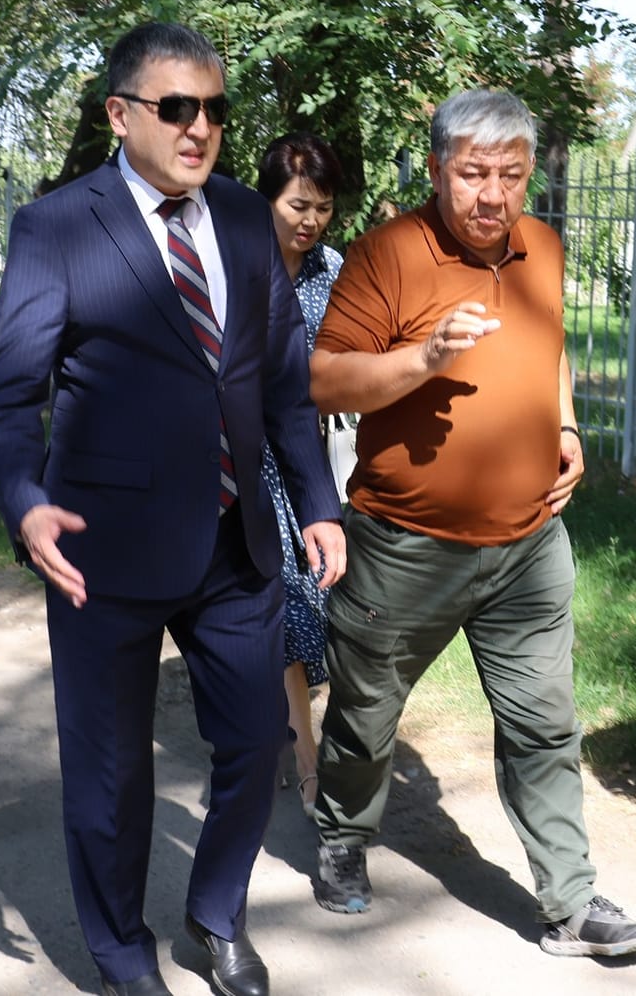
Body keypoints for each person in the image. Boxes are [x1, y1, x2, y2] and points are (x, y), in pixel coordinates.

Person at [0, 23, 346, 996]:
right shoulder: (56, 226)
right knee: (111, 773)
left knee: (256, 739)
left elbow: (282, 380)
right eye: (176, 107)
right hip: (100, 550)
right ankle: (119, 954)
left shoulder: (244, 217)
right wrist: (24, 502)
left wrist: (318, 502)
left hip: (235, 541)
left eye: (215, 109)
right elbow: (10, 398)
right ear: (120, 113)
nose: (200, 127)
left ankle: (216, 914)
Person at [307, 88, 636, 958]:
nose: (492, 195)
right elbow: (325, 378)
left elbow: (549, 346)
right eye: (472, 175)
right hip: (404, 548)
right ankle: (343, 833)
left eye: (510, 174)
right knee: (365, 714)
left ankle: (570, 904)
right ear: (438, 170)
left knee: (545, 725)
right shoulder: (388, 253)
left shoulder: (543, 245)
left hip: (528, 546)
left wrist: (566, 425)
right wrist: (425, 358)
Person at [255, 132, 345, 812]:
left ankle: (290, 737)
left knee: (321, 600)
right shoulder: (235, 266)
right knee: (284, 602)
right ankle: (306, 757)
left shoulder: (333, 272)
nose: (311, 221)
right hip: (245, 461)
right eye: (298, 205)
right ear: (268, 201)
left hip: (313, 463)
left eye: (323, 208)